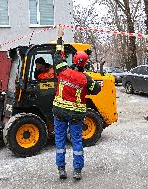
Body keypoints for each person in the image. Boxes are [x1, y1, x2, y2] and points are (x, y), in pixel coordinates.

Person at [52, 28, 101, 180]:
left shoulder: (62, 70)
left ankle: (61, 169)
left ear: (73, 60)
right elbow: (96, 89)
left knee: (60, 141)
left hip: (59, 112)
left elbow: (58, 55)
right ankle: (77, 170)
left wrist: (60, 37)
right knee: (77, 142)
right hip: (76, 115)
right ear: (85, 64)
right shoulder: (86, 79)